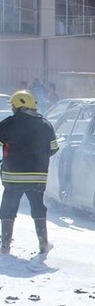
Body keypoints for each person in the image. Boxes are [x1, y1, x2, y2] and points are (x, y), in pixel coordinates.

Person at [0, 90, 59, 255]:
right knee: (38, 207)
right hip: (37, 177)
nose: (12, 108)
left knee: (8, 208)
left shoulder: (7, 124)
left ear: (20, 105)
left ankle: (5, 245)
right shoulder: (45, 124)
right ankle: (43, 243)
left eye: (13, 105)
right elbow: (53, 149)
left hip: (13, 177)